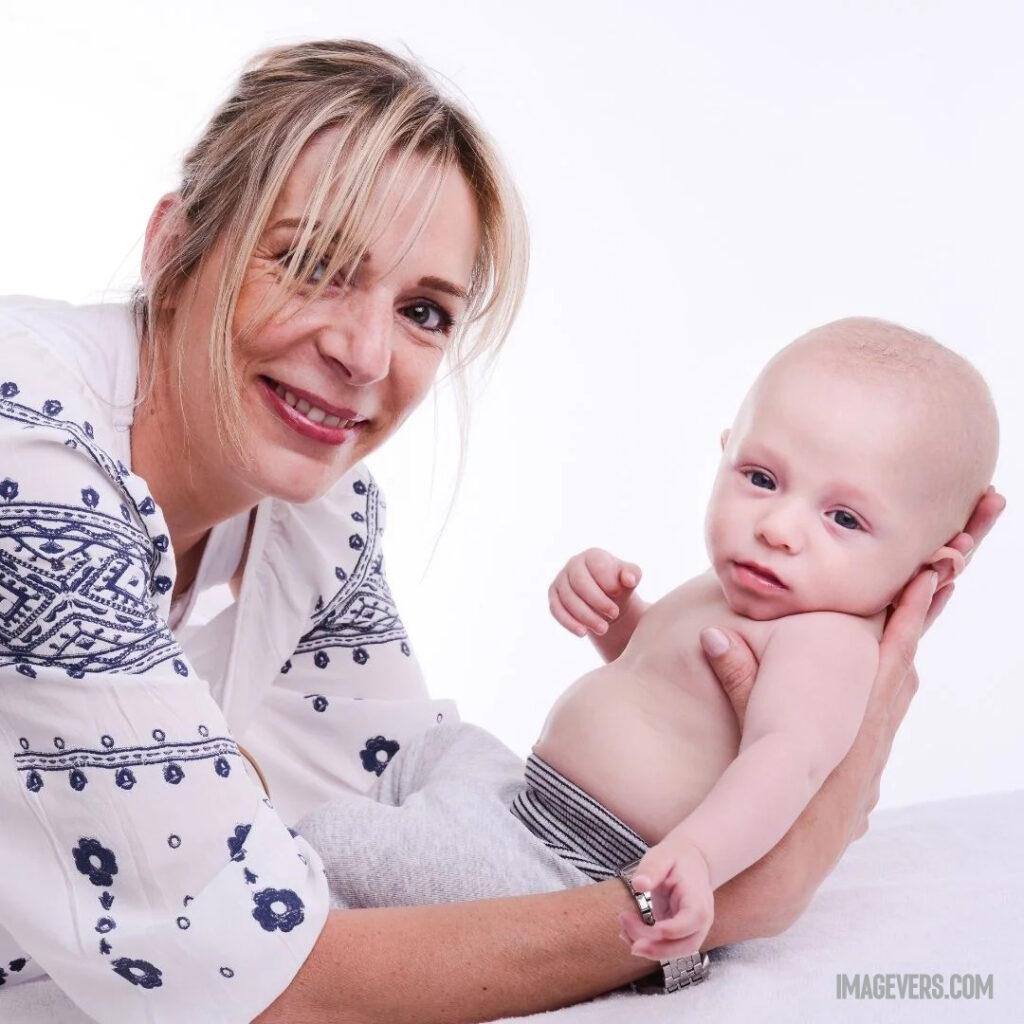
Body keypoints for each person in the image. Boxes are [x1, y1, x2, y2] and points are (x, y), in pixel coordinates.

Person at [0, 38, 1004, 1024]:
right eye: (311, 263)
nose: (361, 353)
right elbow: (272, 978)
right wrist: (725, 903)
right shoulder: (28, 466)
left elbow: (389, 779)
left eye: (424, 311)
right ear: (174, 245)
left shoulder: (318, 513)